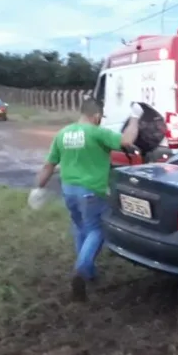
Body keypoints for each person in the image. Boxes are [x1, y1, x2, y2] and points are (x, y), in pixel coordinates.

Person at [32, 99, 140, 301]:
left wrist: (38, 187)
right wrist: (135, 117)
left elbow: (49, 165)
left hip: (69, 190)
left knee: (80, 227)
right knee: (97, 229)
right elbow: (127, 141)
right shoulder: (97, 132)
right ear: (97, 116)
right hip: (92, 191)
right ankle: (81, 270)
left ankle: (88, 273)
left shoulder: (63, 134)